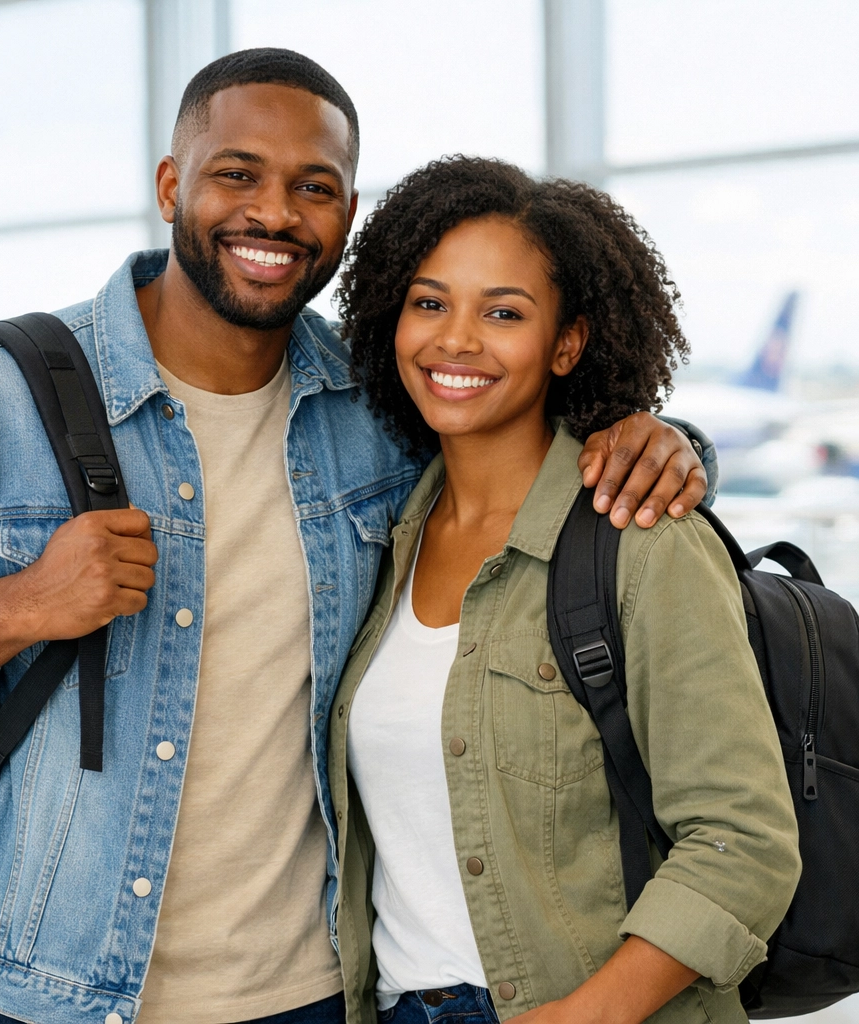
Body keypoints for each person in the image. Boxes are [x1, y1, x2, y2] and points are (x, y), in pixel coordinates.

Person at [0, 53, 711, 1024]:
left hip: (305, 992)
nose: (277, 213)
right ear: (172, 185)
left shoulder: (377, 404)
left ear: (347, 214)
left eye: (314, 187)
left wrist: (657, 436)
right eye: (237, 173)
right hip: (40, 989)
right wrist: (17, 607)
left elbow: (529, 440)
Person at [328, 157, 801, 1024]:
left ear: (567, 343)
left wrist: (587, 1017)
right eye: (429, 303)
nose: (455, 340)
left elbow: (743, 841)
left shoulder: (643, 540)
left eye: (503, 312)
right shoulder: (375, 543)